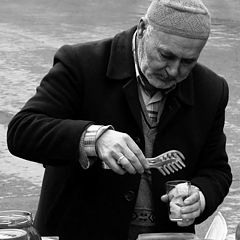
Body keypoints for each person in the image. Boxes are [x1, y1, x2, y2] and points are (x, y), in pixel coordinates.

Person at [7, 0, 232, 239]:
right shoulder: (80, 64)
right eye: (166, 55)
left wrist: (199, 196)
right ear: (143, 29)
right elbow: (22, 131)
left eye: (188, 62)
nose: (174, 71)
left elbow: (216, 170)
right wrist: (94, 139)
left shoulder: (211, 89)